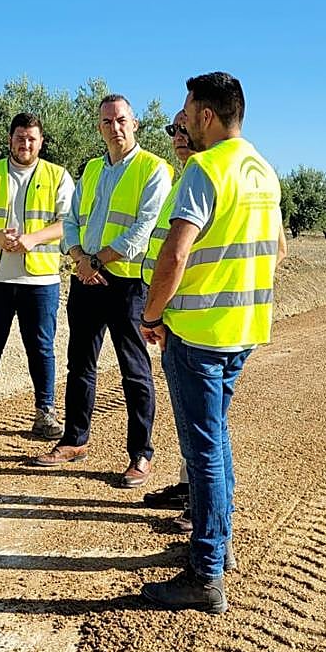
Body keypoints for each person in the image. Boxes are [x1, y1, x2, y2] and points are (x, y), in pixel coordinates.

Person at [139, 72, 286, 614]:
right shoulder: (263, 171)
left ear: (206, 114)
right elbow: (278, 250)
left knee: (201, 450)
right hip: (241, 330)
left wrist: (152, 315)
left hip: (198, 334)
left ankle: (206, 574)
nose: (183, 121)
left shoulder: (205, 169)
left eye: (187, 111)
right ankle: (217, 547)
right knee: (215, 439)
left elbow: (175, 254)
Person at [31, 94, 172, 488]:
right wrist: (80, 258)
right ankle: (74, 440)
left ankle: (140, 454)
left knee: (135, 371)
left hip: (127, 285)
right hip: (86, 280)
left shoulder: (154, 169)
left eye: (122, 120)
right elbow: (71, 221)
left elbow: (143, 229)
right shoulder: (92, 169)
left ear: (135, 123)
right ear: (99, 127)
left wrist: (96, 260)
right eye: (108, 121)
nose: (115, 127)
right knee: (79, 365)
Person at [0, 112, 74, 440]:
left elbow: (68, 222)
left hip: (40, 280)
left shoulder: (58, 176)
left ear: (41, 142)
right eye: (20, 138)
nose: (26, 144)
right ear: (10, 139)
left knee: (42, 348)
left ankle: (45, 412)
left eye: (32, 139)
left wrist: (32, 239)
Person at [141, 110, 194, 518]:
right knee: (194, 422)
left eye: (184, 127)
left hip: (192, 320)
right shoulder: (182, 182)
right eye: (172, 129)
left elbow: (175, 257)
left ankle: (201, 507)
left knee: (202, 426)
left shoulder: (202, 181)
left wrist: (152, 315)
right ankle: (189, 485)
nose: (177, 135)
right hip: (180, 316)